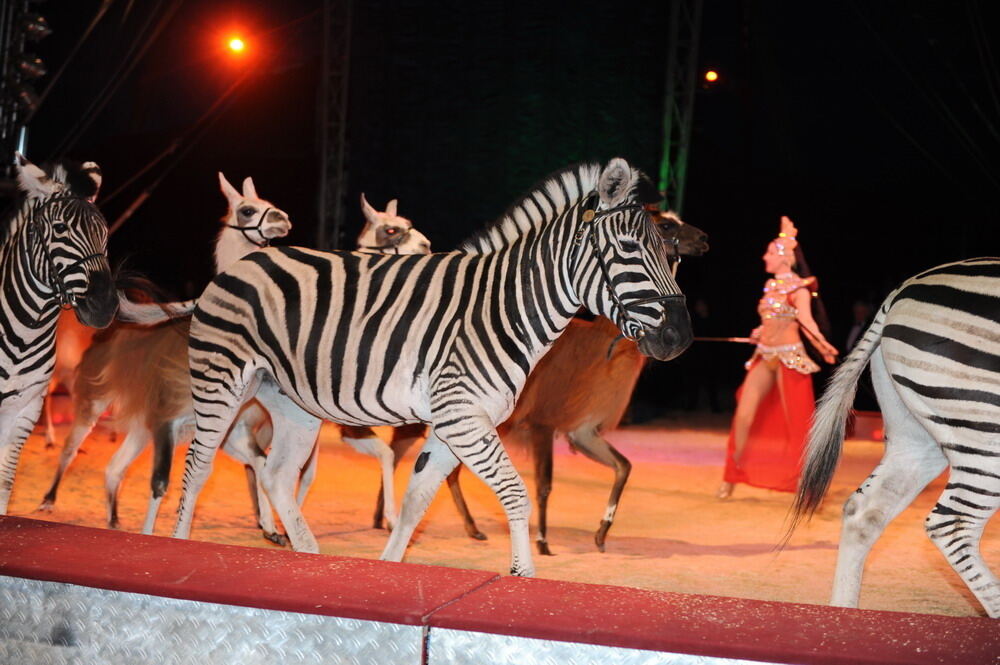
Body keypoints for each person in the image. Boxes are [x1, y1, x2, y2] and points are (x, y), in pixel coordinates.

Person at [717, 216, 838, 499]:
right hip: (765, 355)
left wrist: (823, 347)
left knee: (796, 421)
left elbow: (807, 323)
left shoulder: (799, 289)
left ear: (784, 257)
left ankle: (804, 481)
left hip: (790, 357)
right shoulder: (770, 287)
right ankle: (731, 475)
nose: (764, 257)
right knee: (744, 416)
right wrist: (759, 332)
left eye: (770, 252)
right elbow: (771, 320)